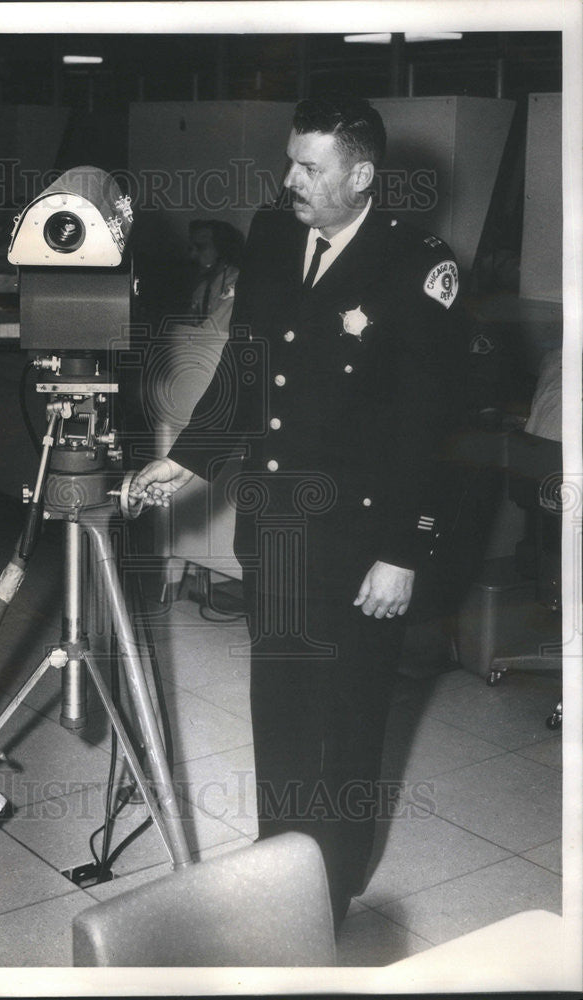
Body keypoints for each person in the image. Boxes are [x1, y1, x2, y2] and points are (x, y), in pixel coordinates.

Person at [131, 94, 464, 932]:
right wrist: (187, 458)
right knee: (279, 718)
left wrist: (403, 550)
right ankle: (280, 883)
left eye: (308, 167)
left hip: (361, 546)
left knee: (345, 731)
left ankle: (334, 901)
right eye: (288, 162)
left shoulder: (418, 266)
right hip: (276, 534)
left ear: (361, 175)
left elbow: (431, 432)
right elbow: (245, 372)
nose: (289, 181)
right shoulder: (276, 237)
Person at [186, 219, 243, 328]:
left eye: (201, 247)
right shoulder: (201, 289)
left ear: (222, 249)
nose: (192, 255)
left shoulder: (237, 285)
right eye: (191, 249)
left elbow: (212, 332)